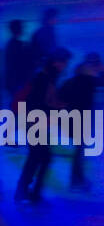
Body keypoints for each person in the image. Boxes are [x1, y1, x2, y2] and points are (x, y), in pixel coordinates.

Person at [15, 48, 71, 204]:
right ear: (55, 62)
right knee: (40, 157)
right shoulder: (42, 79)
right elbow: (36, 104)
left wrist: (57, 107)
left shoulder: (48, 78)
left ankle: (29, 192)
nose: (65, 66)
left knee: (40, 157)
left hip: (36, 123)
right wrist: (57, 109)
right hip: (33, 123)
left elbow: (46, 102)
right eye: (63, 62)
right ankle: (26, 191)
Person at [59, 52, 104, 191]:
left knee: (79, 151)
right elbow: (101, 82)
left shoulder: (71, 82)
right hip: (80, 121)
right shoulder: (89, 82)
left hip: (72, 120)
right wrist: (102, 71)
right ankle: (75, 180)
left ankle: (77, 178)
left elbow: (60, 96)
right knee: (79, 152)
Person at [4, 19, 35, 109]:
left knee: (19, 106)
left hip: (15, 82)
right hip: (20, 82)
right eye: (22, 28)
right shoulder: (20, 46)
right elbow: (25, 64)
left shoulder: (11, 45)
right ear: (20, 29)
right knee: (22, 107)